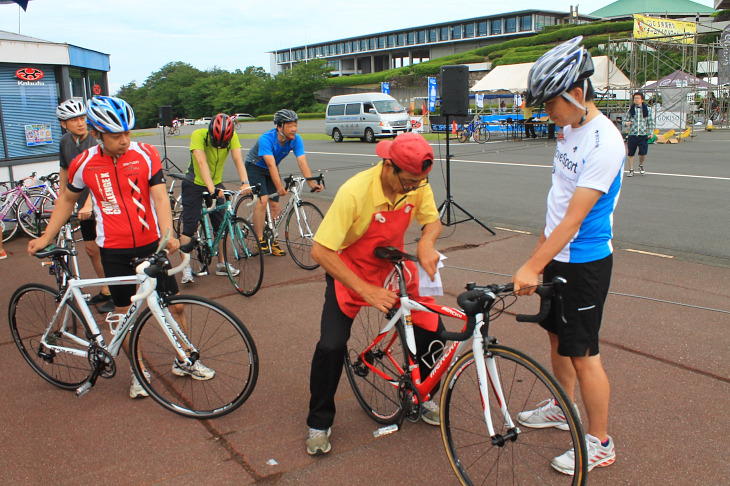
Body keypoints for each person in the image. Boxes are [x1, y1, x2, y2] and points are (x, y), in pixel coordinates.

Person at [28, 96, 214, 399]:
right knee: (123, 315)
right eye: (116, 136)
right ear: (98, 133)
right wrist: (47, 237)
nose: (125, 140)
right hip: (113, 250)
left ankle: (184, 360)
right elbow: (66, 199)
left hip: (150, 245)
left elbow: (159, 197)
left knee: (176, 305)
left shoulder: (146, 153)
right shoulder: (84, 162)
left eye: (128, 132)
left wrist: (167, 235)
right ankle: (138, 372)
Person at [511, 36, 623, 475]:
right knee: (557, 337)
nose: (545, 113)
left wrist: (532, 265)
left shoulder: (605, 142)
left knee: (584, 351)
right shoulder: (570, 129)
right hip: (558, 256)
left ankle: (600, 442)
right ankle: (564, 407)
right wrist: (539, 253)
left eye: (550, 104)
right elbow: (557, 200)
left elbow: (575, 219)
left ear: (577, 94)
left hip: (586, 263)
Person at [305, 132, 445, 456]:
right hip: (350, 270)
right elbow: (321, 251)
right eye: (409, 182)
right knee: (331, 345)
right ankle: (318, 422)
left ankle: (420, 395)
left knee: (433, 331)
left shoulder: (418, 183)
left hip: (393, 266)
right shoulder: (355, 192)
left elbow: (432, 221)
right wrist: (366, 290)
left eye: (419, 183)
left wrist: (426, 242)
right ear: (388, 166)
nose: (414, 188)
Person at [56, 98, 114, 313]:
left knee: (107, 250)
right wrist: (63, 198)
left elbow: (100, 174)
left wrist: (89, 203)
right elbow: (65, 170)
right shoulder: (64, 142)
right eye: (75, 120)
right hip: (83, 207)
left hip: (104, 204)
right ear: (64, 124)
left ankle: (118, 294)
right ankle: (107, 289)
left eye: (83, 118)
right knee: (91, 249)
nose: (81, 123)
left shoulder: (95, 141)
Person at [179, 113, 251, 284]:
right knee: (189, 226)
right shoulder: (199, 135)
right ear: (210, 133)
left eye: (222, 144)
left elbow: (237, 158)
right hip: (195, 183)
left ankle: (222, 264)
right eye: (215, 142)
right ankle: (185, 267)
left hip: (216, 184)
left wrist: (245, 182)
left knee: (222, 225)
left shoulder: (232, 136)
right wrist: (212, 190)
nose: (219, 147)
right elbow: (202, 163)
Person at [245, 109, 322, 256]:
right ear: (280, 127)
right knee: (263, 200)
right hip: (255, 167)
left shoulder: (296, 139)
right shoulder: (266, 139)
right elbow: (271, 165)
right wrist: (279, 186)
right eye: (290, 125)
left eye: (295, 124)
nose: (294, 128)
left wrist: (311, 183)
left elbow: (302, 162)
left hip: (271, 168)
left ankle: (271, 238)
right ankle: (260, 239)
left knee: (274, 206)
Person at [625, 92, 654, 177]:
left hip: (642, 134)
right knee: (631, 153)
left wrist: (651, 132)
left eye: (638, 98)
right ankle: (631, 169)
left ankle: (641, 165)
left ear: (642, 100)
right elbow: (625, 121)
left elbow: (650, 122)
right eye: (635, 98)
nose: (636, 100)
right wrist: (627, 123)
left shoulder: (646, 110)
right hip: (632, 134)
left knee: (643, 153)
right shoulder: (630, 110)